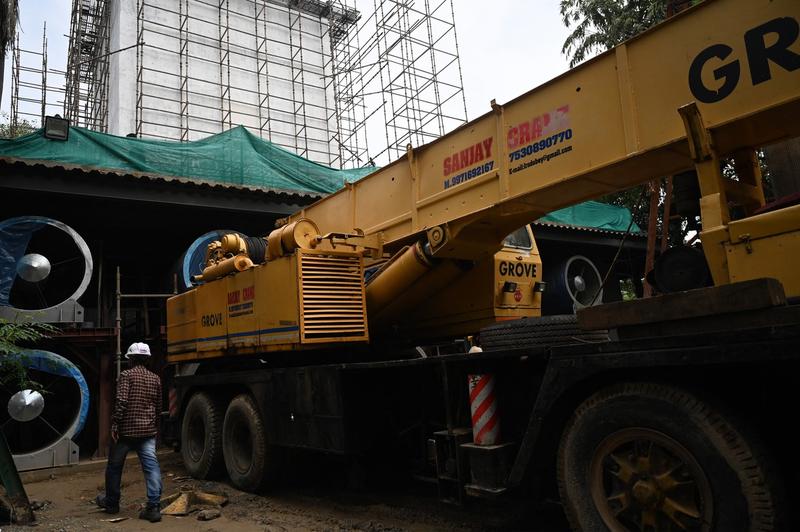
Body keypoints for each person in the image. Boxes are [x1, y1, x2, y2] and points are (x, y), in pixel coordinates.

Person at [96, 342, 163, 522]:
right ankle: (154, 508)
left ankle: (112, 504)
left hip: (126, 431)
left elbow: (122, 401)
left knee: (114, 468)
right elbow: (158, 407)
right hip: (147, 431)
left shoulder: (126, 375)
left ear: (131, 359)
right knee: (151, 468)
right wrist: (155, 428)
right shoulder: (155, 378)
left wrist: (115, 424)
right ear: (147, 359)